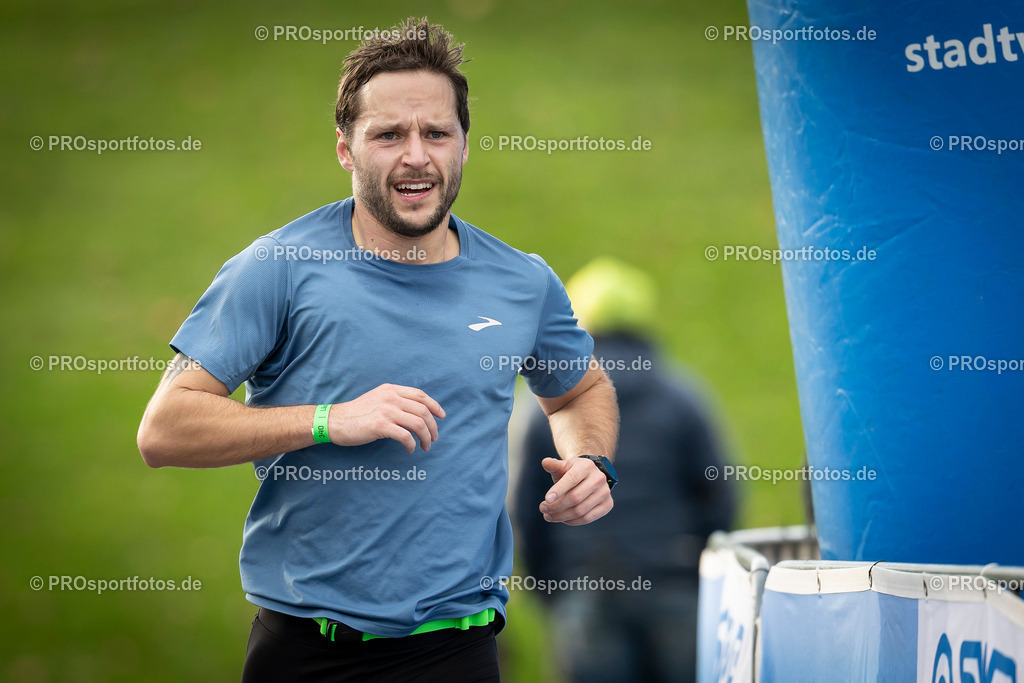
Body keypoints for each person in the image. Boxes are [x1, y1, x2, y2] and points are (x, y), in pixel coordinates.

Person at [136, 18, 619, 683]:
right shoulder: (277, 267)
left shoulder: (522, 281)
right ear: (345, 149)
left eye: (436, 133)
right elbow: (164, 429)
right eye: (389, 134)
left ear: (464, 145)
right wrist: (329, 420)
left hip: (459, 649)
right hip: (309, 652)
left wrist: (591, 459)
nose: (415, 156)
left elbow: (579, 390)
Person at [513, 257, 736, 683]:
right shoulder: (682, 397)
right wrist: (697, 566)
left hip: (585, 588)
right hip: (674, 585)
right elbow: (718, 495)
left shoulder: (546, 410)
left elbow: (525, 511)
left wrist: (550, 590)